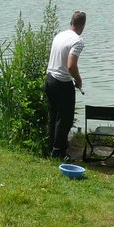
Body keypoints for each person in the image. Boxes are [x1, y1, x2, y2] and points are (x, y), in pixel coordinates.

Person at [45, 11, 86, 159]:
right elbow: (70, 66)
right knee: (65, 120)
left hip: (49, 79)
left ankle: (51, 149)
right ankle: (59, 153)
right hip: (62, 83)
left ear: (71, 23)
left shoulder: (59, 35)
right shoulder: (78, 41)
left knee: (53, 116)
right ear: (82, 25)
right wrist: (78, 80)